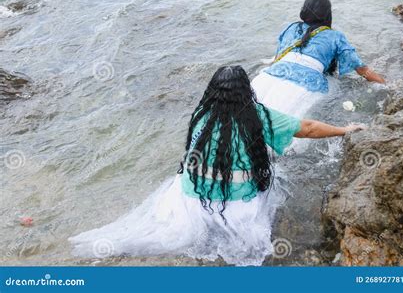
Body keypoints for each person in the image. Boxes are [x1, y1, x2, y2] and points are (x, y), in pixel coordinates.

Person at [69, 66, 365, 266]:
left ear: (213, 91)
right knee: (277, 176)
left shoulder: (201, 113)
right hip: (237, 200)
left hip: (191, 193)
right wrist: (345, 130)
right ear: (245, 91)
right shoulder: (257, 115)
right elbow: (309, 128)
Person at [252, 0, 385, 117]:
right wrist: (385, 85)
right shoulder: (335, 36)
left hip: (268, 77)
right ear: (328, 15)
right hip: (306, 85)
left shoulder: (292, 27)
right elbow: (361, 69)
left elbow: (278, 56)